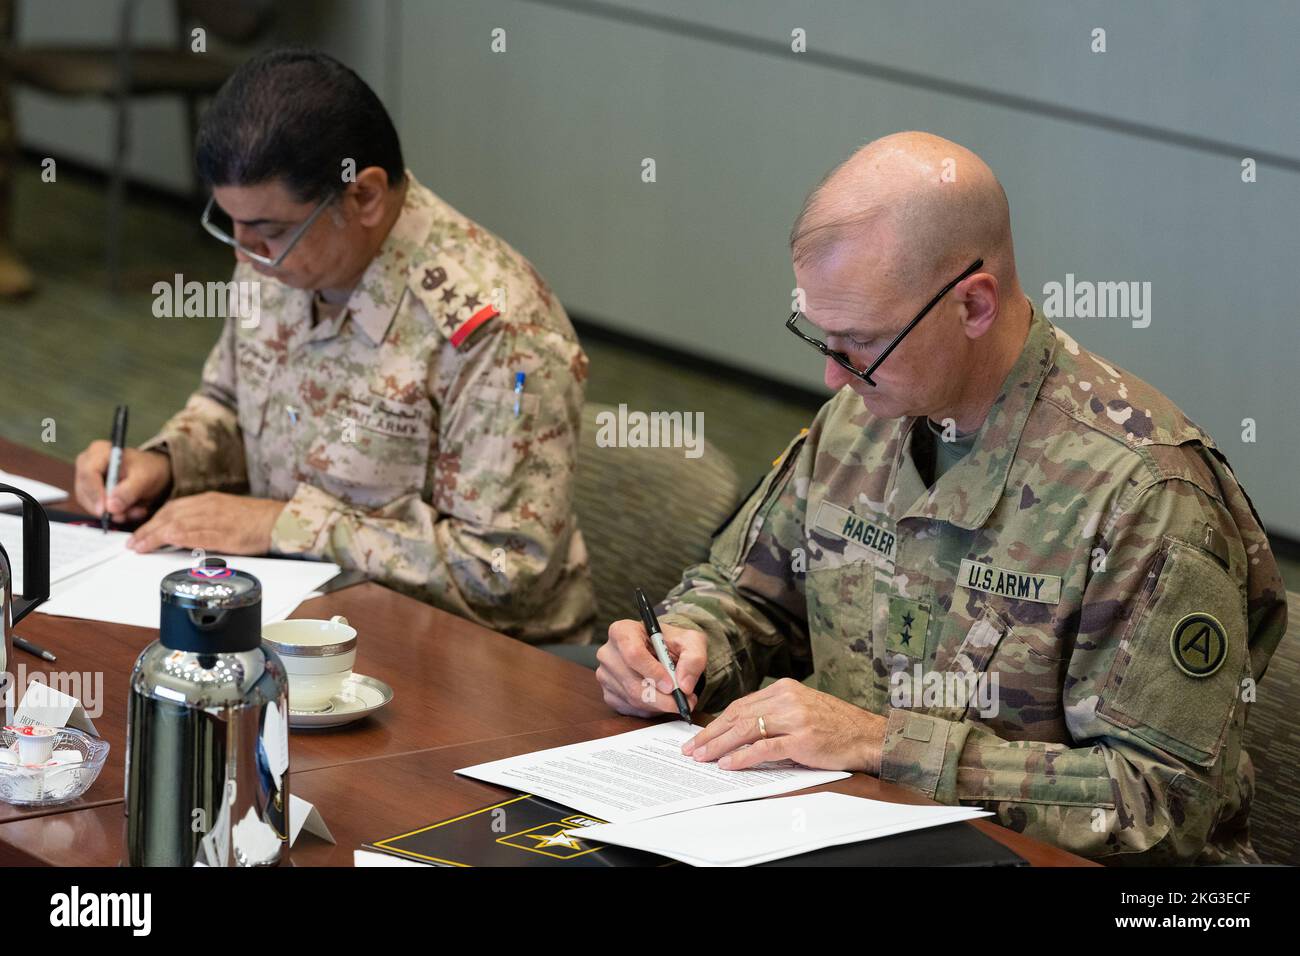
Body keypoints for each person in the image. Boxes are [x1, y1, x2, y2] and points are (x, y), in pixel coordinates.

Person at [596, 131, 1287, 863]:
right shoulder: (863, 415)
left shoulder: (1146, 493)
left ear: (975, 305)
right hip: (851, 833)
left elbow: (1159, 803)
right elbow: (754, 597)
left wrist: (882, 743)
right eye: (821, 336)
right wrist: (688, 646)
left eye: (861, 341)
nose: (835, 377)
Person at [73, 48, 595, 645]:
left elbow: (503, 573)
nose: (244, 257)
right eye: (230, 225)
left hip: (483, 663)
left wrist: (284, 525)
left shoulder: (499, 330)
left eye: (267, 231)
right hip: (311, 618)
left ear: (365, 197)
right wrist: (165, 465)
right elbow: (230, 404)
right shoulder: (277, 256)